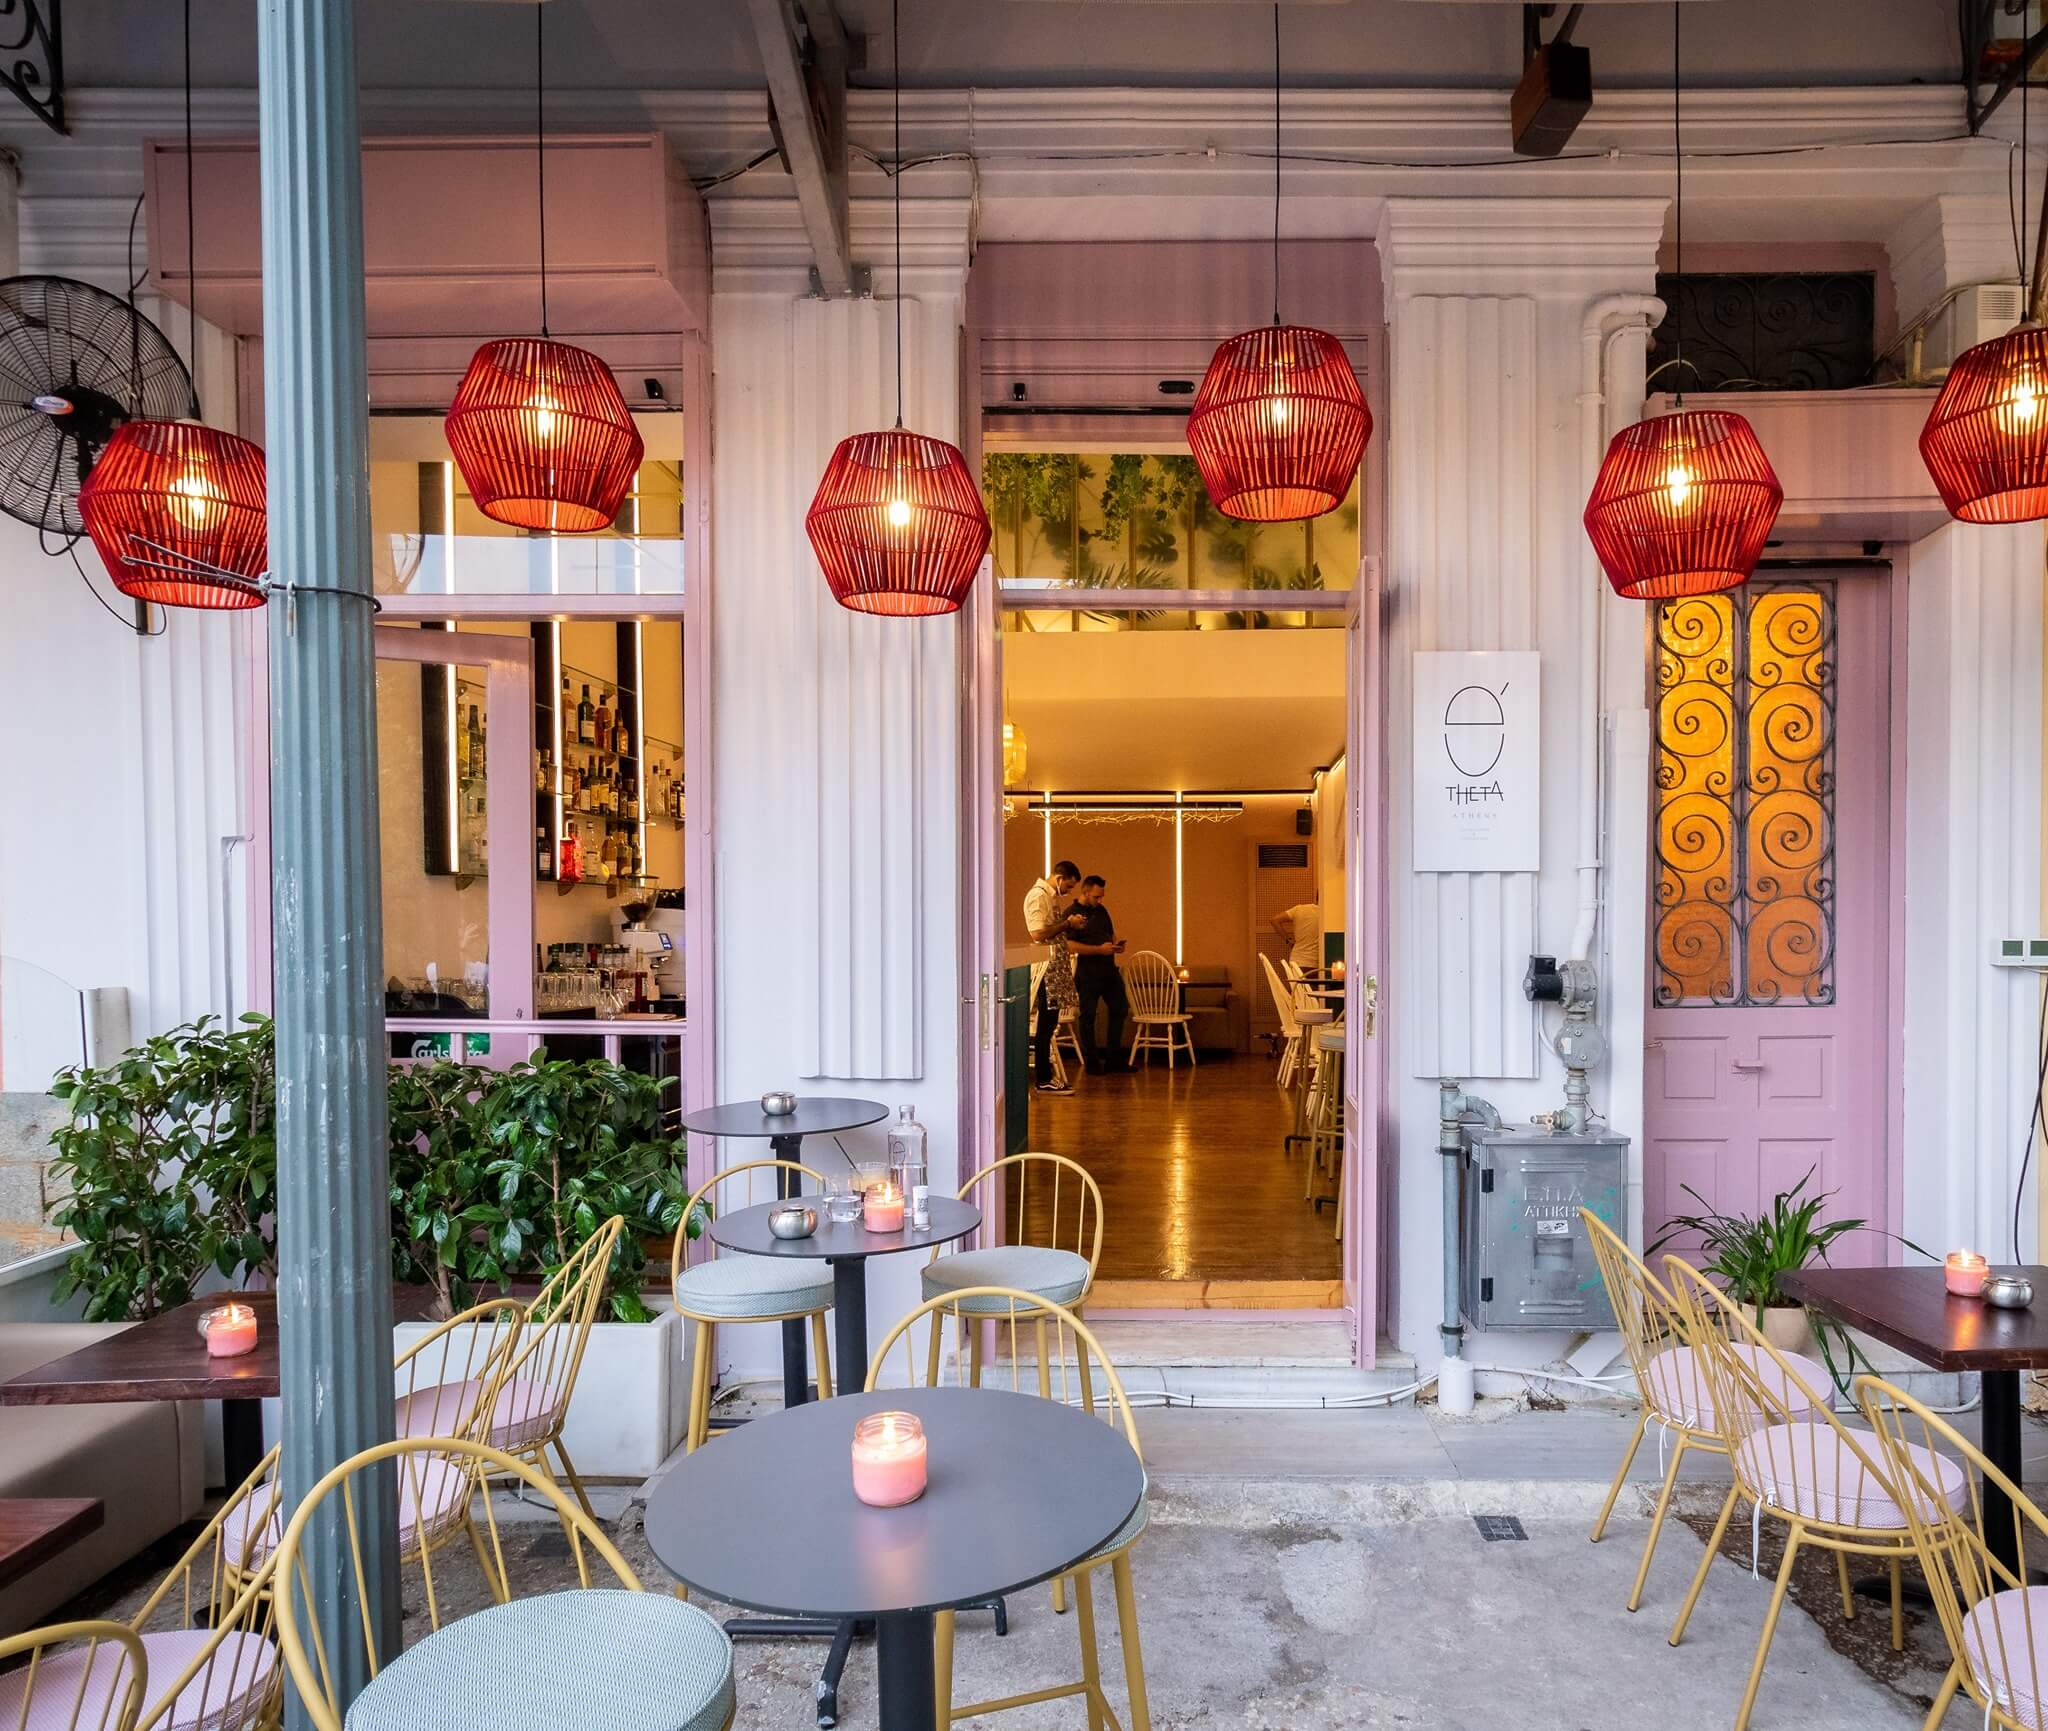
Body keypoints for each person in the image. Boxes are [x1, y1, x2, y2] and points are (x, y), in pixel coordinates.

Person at [1022, 859, 1082, 1092]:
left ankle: (1046, 1076)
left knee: (1050, 1024)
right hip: (1046, 968)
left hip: (1055, 966)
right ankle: (1043, 1078)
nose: (1068, 891)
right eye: (1068, 885)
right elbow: (1037, 933)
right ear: (1059, 878)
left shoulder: (1050, 897)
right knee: (1046, 1025)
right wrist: (1067, 923)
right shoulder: (1038, 896)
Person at [1066, 874, 1129, 1074]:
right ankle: (1092, 1062)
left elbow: (1111, 934)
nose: (1100, 900)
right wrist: (1098, 950)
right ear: (1085, 892)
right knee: (1088, 1016)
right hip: (1088, 973)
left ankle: (1113, 1059)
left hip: (1109, 970)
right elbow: (1069, 945)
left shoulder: (1101, 911)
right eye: (1096, 896)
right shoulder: (1072, 914)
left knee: (1120, 1008)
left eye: (1101, 896)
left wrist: (1116, 945)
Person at [1274, 901, 1323, 974]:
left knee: (1295, 982)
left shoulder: (1298, 909)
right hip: (1315, 962)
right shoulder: (1325, 913)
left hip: (1296, 961)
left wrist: (1288, 940)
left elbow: (1275, 920)